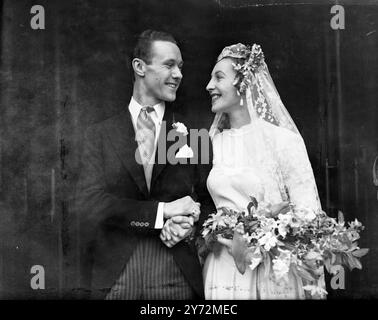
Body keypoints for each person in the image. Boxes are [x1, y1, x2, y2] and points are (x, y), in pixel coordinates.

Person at [74, 29, 214, 299]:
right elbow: (89, 202)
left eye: (180, 67)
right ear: (139, 67)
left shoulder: (193, 132)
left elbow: (210, 200)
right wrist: (161, 213)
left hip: (176, 274)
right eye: (169, 65)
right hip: (115, 276)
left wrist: (190, 226)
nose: (178, 74)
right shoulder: (100, 134)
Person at [202, 43, 324, 299]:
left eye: (218, 77)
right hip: (222, 269)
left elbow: (308, 216)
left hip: (271, 270)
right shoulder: (211, 143)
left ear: (244, 81)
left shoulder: (282, 141)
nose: (209, 86)